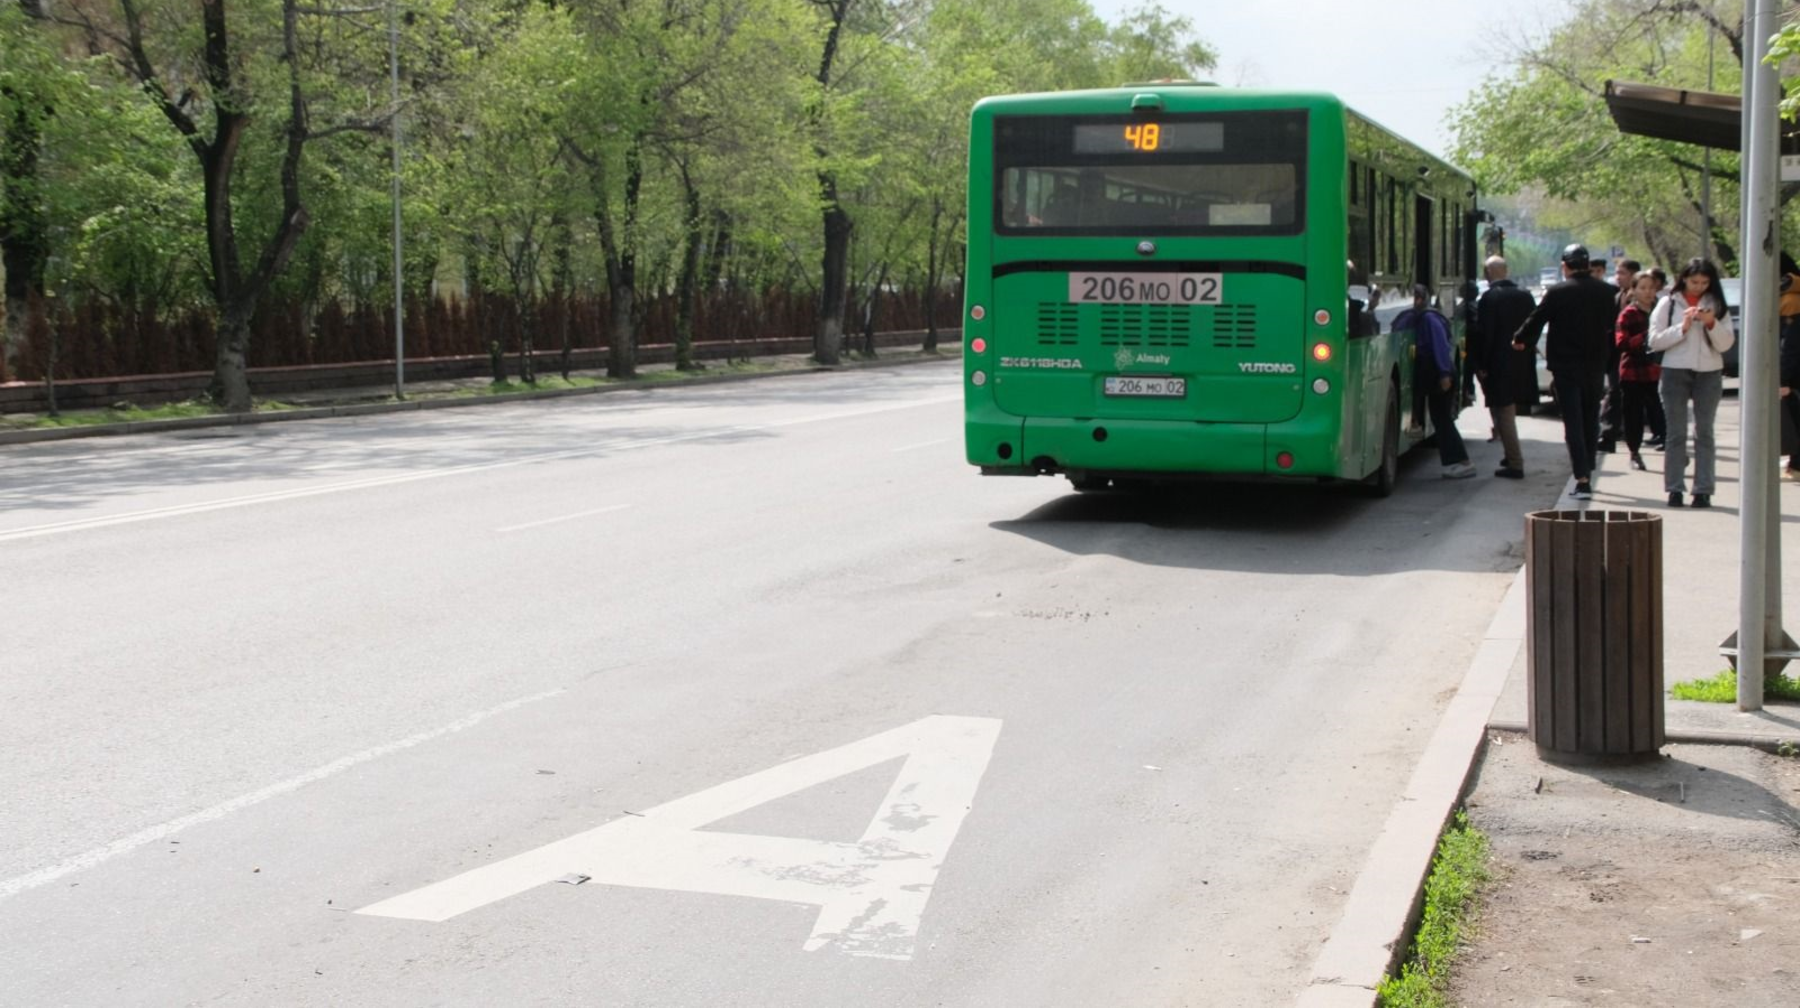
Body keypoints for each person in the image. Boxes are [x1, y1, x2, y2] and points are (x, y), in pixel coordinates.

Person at [1512, 244, 1618, 500]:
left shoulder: (1557, 292)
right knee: (1590, 417)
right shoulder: (1608, 292)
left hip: (1565, 366)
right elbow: (1614, 327)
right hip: (1595, 365)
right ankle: (1589, 467)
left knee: (1573, 420)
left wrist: (1520, 339)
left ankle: (1581, 478)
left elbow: (1537, 319)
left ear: (1565, 266)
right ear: (1588, 264)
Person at [1649, 257, 1736, 507]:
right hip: (1675, 370)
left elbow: (1725, 343)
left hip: (1708, 371)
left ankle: (1703, 489)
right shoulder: (1668, 302)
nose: (1698, 286)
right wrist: (1683, 327)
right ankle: (1674, 488)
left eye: (1704, 282)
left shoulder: (1716, 303)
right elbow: (1654, 340)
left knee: (1704, 432)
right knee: (1676, 433)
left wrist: (1711, 323)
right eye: (1694, 281)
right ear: (1684, 278)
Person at [1394, 284, 1476, 478]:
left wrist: (1444, 374)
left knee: (1443, 419)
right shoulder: (1420, 316)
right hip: (1437, 374)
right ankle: (1457, 461)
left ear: (1421, 300)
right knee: (1440, 419)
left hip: (1441, 375)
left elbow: (1440, 347)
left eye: (1413, 298)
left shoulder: (1429, 319)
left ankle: (1463, 462)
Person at [1471, 255, 1536, 477]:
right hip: (1521, 362)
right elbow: (1533, 328)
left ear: (1487, 273)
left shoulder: (1489, 298)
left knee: (1504, 413)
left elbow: (1485, 335)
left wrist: (1481, 364)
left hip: (1498, 365)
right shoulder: (1525, 296)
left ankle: (1516, 463)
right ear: (1506, 271)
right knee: (1505, 411)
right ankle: (1510, 456)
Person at [1614, 272, 1662, 472]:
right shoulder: (1628, 313)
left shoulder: (1661, 310)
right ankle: (1634, 452)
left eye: (1651, 287)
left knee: (1659, 411)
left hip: (1656, 370)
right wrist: (1645, 336)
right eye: (1642, 288)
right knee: (1633, 415)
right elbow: (1621, 342)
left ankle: (1670, 446)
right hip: (1633, 372)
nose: (1647, 292)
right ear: (1633, 290)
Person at [1596, 259, 1640, 453]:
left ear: (1632, 275)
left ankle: (1609, 434)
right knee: (1616, 394)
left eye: (1622, 273)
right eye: (1617, 273)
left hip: (1631, 356)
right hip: (1617, 354)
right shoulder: (1618, 295)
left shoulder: (1636, 298)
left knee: (1618, 395)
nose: (1617, 277)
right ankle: (1611, 435)